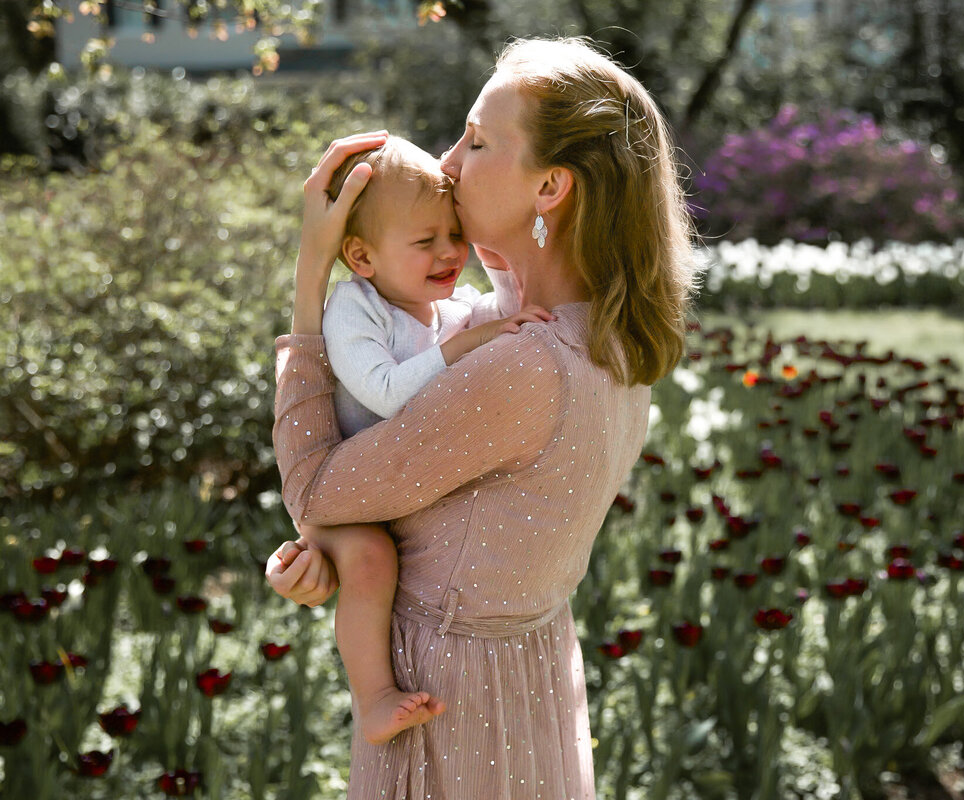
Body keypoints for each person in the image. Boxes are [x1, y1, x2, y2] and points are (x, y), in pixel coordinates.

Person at [265, 36, 696, 799]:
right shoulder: (595, 337)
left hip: (453, 713)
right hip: (519, 690)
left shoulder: (520, 365)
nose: (448, 161)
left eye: (478, 139)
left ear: (552, 187)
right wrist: (337, 561)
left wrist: (313, 270)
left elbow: (317, 490)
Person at [287, 134, 553, 746]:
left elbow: (499, 315)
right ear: (361, 256)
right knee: (371, 562)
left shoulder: (443, 307)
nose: (449, 252)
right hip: (345, 493)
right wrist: (465, 346)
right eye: (424, 241)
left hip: (392, 485)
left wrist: (506, 265)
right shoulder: (355, 309)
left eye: (453, 234)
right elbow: (384, 392)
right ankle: (372, 696)